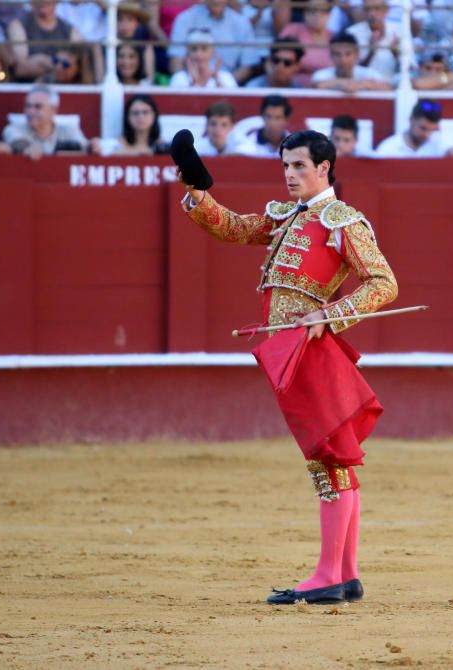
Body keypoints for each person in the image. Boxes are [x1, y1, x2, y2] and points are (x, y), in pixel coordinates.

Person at [176, 129, 397, 605]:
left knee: (328, 460)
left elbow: (384, 283)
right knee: (334, 460)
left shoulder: (341, 221)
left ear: (324, 168)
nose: (290, 175)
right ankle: (345, 573)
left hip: (310, 349)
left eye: (299, 166)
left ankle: (327, 576)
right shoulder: (286, 216)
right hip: (290, 352)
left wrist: (330, 314)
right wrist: (197, 191)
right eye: (284, 166)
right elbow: (234, 228)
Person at [168, 0, 264, 84]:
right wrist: (188, 83)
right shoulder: (184, 19)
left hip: (227, 87)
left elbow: (248, 66)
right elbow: (176, 62)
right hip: (190, 83)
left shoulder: (241, 23)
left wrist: (223, 83)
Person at [7, 0, 83, 82]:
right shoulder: (18, 25)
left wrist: (41, 62)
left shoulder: (70, 30)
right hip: (28, 87)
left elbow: (74, 66)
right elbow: (21, 68)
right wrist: (54, 62)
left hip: (63, 88)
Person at [3, 85, 88, 158]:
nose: (31, 111)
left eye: (38, 107)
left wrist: (93, 146)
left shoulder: (69, 130)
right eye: (28, 106)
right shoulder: (14, 129)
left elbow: (85, 148)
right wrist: (28, 149)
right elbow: (17, 142)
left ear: (53, 110)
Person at [311, 31, 392, 91]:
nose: (343, 59)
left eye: (348, 54)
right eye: (337, 54)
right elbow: (316, 86)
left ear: (356, 55)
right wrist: (349, 83)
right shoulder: (321, 75)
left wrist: (362, 84)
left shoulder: (369, 73)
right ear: (331, 56)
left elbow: (388, 88)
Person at [279, 0, 333, 87]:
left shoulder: (335, 37)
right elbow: (280, 58)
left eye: (323, 11)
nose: (317, 15)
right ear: (305, 13)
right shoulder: (292, 31)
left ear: (329, 14)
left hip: (328, 88)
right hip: (295, 87)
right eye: (313, 10)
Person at [345, 0, 403, 80]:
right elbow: (350, 71)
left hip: (392, 87)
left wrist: (397, 55)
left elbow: (409, 70)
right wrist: (371, 52)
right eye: (367, 9)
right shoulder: (352, 33)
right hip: (364, 87)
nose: (371, 14)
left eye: (377, 9)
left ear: (387, 10)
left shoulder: (400, 30)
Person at [372, 99, 449, 157]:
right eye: (423, 128)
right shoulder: (388, 148)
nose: (427, 134)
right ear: (411, 119)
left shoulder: (438, 144)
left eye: (432, 130)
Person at [96, 93, 167, 156]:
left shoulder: (164, 147)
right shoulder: (114, 146)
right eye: (135, 113)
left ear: (154, 116)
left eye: (145, 112)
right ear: (127, 117)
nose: (140, 117)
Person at [169, 27, 239, 88]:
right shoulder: (179, 78)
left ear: (212, 51)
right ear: (188, 52)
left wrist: (217, 82)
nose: (198, 54)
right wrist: (193, 84)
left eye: (204, 49)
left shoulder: (225, 77)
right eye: (194, 49)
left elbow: (232, 102)